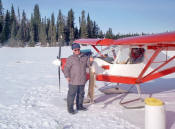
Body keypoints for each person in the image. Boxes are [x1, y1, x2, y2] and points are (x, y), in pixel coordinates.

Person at [63, 43, 93, 114]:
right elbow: (66, 68)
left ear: (80, 49)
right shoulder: (70, 58)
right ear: (73, 50)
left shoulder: (85, 57)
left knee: (81, 94)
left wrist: (91, 61)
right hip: (73, 79)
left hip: (82, 79)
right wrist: (67, 76)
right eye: (75, 50)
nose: (77, 51)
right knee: (71, 94)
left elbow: (88, 65)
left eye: (78, 49)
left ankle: (79, 106)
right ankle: (70, 108)